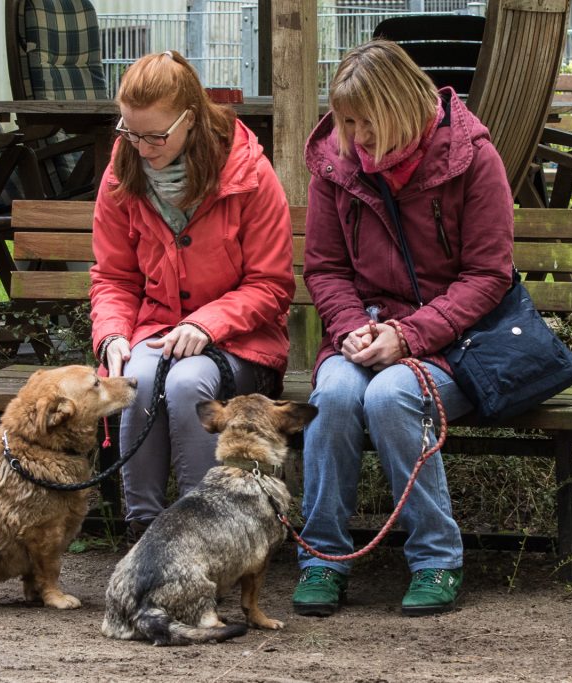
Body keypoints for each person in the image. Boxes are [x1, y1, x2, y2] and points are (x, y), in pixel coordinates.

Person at [292, 40, 514, 617]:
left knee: (393, 396)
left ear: (402, 107)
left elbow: (489, 275)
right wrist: (348, 329)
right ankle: (322, 558)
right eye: (346, 122)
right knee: (335, 394)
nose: (356, 138)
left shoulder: (472, 158)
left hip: (457, 344)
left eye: (367, 122)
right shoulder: (334, 167)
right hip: (364, 332)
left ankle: (436, 558)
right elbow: (326, 267)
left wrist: (410, 336)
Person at [89, 51, 294, 543]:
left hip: (241, 343)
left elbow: (271, 285)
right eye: (130, 133)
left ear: (192, 118)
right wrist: (113, 335)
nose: (142, 147)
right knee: (133, 379)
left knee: (187, 385)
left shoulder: (250, 174)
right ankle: (144, 534)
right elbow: (113, 279)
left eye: (156, 135)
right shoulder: (122, 173)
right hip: (155, 334)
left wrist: (207, 324)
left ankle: (209, 532)